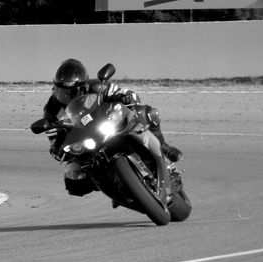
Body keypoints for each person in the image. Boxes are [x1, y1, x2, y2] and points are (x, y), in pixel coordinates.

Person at [43, 58, 182, 197]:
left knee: (147, 113)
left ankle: (164, 148)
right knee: (72, 178)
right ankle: (111, 186)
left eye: (71, 91)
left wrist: (128, 98)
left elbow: (128, 94)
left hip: (110, 124)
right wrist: (58, 150)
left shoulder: (98, 86)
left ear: (82, 86)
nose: (66, 95)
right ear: (55, 87)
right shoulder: (51, 109)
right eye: (61, 90)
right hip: (85, 141)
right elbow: (54, 141)